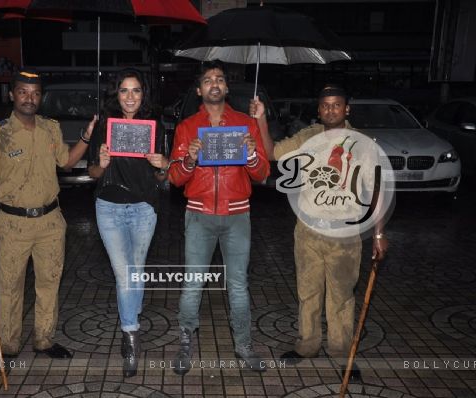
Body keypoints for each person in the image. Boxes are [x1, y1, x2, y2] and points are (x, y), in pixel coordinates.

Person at [253, 84, 389, 380]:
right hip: (308, 232)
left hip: (345, 236)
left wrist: (378, 234)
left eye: (336, 105)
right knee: (308, 292)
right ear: (318, 109)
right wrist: (261, 119)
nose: (330, 110)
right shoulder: (307, 136)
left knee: (341, 298)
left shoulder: (363, 144)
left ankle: (341, 355)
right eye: (325, 105)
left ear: (346, 109)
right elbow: (271, 152)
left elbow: (376, 190)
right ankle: (307, 346)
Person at [0, 68, 94, 361]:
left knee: (49, 284)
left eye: (36, 93)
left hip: (51, 222)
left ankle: (44, 339)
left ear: (41, 97)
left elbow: (66, 162)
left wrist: (87, 137)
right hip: (13, 223)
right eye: (24, 92)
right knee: (11, 287)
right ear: (12, 94)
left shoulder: (50, 128)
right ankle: (10, 345)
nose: (30, 98)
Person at [168, 61, 270, 375]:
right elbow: (174, 177)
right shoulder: (187, 127)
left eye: (220, 79)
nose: (215, 83)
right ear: (199, 90)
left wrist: (252, 153)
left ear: (226, 88)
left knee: (238, 285)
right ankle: (185, 342)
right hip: (199, 216)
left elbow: (263, 174)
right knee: (193, 283)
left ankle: (243, 344)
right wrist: (189, 159)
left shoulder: (245, 124)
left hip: (238, 215)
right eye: (208, 80)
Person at [87, 68, 169, 378]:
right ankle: (131, 335)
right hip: (108, 207)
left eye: (136, 90)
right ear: (116, 94)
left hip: (144, 209)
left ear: (143, 95)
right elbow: (92, 173)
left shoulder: (154, 127)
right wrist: (102, 163)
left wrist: (163, 164)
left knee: (137, 271)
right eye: (124, 90)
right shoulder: (105, 127)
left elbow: (163, 177)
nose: (130, 96)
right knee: (125, 275)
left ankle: (130, 321)